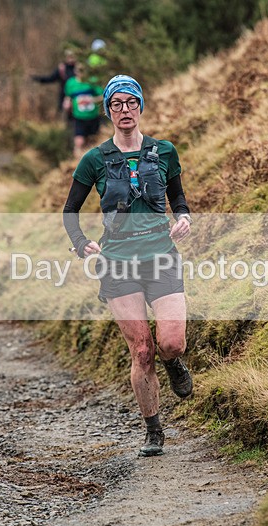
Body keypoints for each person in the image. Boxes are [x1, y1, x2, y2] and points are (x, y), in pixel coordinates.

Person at [62, 75, 194, 457]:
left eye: (130, 102)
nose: (124, 110)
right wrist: (81, 243)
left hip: (161, 256)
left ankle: (174, 362)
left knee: (171, 343)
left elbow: (179, 197)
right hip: (117, 262)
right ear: (107, 111)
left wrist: (183, 217)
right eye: (116, 104)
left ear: (140, 107)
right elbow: (70, 212)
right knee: (142, 351)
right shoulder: (95, 159)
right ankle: (153, 430)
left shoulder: (164, 151)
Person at [63, 63, 103, 158]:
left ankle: (91, 163)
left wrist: (91, 100)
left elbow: (102, 96)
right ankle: (76, 164)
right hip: (78, 116)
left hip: (93, 116)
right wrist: (66, 104)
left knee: (92, 142)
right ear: (75, 71)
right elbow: (68, 97)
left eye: (84, 70)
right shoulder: (71, 83)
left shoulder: (93, 81)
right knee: (79, 142)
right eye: (79, 70)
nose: (81, 73)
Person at [32, 49, 77, 118]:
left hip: (77, 96)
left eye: (72, 57)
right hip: (65, 96)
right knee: (66, 116)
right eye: (69, 56)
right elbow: (51, 78)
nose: (70, 59)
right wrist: (38, 79)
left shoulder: (79, 68)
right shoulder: (62, 68)